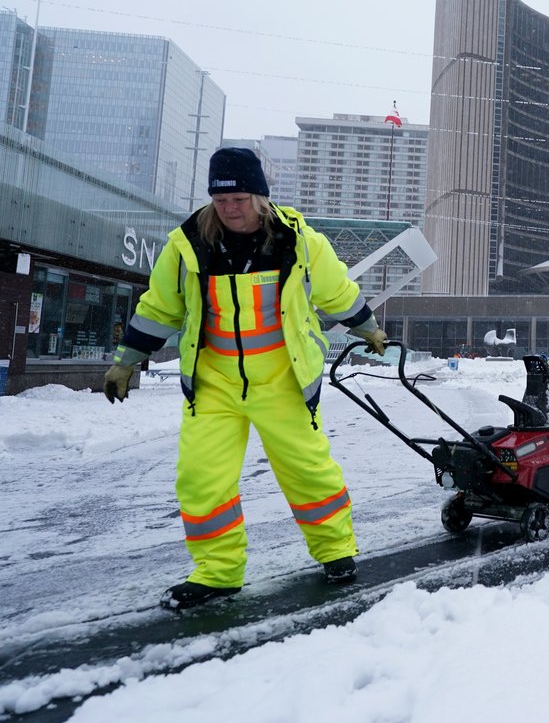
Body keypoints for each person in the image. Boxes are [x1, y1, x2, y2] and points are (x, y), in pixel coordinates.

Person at [102, 147, 387, 610]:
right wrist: (126, 359)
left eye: (239, 199)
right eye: (221, 200)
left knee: (307, 471)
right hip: (214, 383)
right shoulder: (188, 243)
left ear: (259, 196)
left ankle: (336, 551)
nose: (230, 208)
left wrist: (369, 328)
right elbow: (160, 308)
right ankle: (217, 572)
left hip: (283, 380)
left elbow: (337, 293)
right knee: (201, 479)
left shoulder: (299, 242)